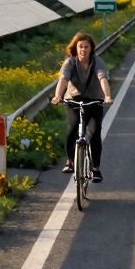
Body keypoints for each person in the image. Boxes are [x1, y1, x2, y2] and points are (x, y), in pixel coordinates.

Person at [51, 31, 113, 182]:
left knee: (95, 132)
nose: (83, 50)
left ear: (91, 48)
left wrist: (107, 96)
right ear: (75, 48)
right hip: (74, 100)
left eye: (86, 47)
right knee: (71, 130)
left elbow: (102, 78)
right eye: (80, 47)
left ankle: (96, 169)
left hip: (94, 101)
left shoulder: (97, 61)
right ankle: (70, 161)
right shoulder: (70, 62)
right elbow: (64, 79)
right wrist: (58, 95)